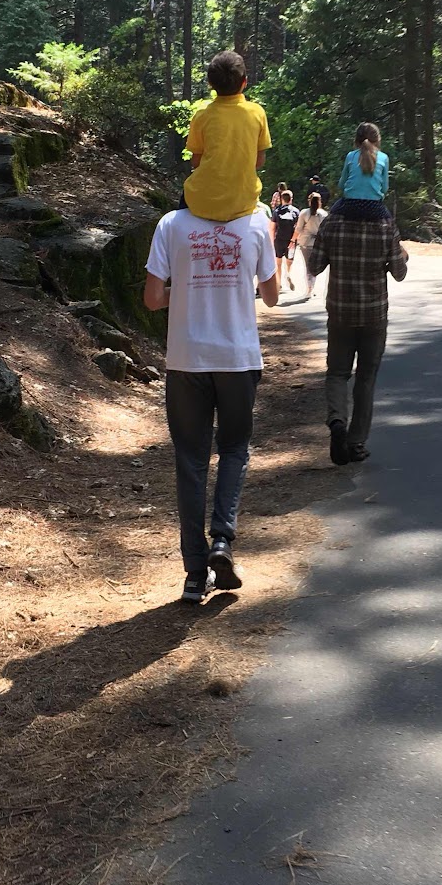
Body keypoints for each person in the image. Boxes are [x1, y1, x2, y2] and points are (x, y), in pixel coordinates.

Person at [144, 203, 279, 603]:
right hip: (238, 359)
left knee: (191, 460)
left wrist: (187, 287)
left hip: (186, 360)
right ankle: (222, 540)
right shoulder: (257, 221)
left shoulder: (171, 223)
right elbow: (271, 296)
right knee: (234, 448)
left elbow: (152, 298)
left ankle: (193, 573)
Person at [304, 195, 407, 465]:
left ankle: (337, 421)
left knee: (337, 373)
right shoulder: (386, 224)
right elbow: (399, 272)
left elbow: (314, 266)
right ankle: (356, 442)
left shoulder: (332, 223)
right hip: (374, 315)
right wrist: (400, 254)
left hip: (340, 313)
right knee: (366, 377)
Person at [183, 51, 271, 223]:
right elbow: (259, 161)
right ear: (244, 81)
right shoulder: (257, 112)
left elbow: (196, 162)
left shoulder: (201, 116)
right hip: (243, 203)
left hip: (200, 201)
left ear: (210, 83)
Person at [337, 122, 389, 203]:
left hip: (351, 203)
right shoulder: (383, 157)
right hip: (374, 204)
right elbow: (384, 188)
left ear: (357, 139)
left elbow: (341, 184)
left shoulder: (351, 156)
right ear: (377, 139)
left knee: (333, 210)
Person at [293, 190, 328, 300]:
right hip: (319, 243)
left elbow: (298, 229)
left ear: (309, 201)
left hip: (306, 243)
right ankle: (312, 287)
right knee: (314, 265)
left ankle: (309, 288)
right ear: (320, 202)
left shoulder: (304, 213)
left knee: (308, 266)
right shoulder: (324, 214)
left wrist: (293, 240)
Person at [271, 189, 300, 291]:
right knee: (289, 261)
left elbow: (272, 228)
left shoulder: (276, 211)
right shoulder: (296, 211)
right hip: (291, 241)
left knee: (278, 262)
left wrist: (272, 240)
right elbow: (298, 228)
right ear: (291, 199)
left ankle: (279, 283)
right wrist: (294, 240)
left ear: (281, 199)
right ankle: (288, 273)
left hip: (279, 240)